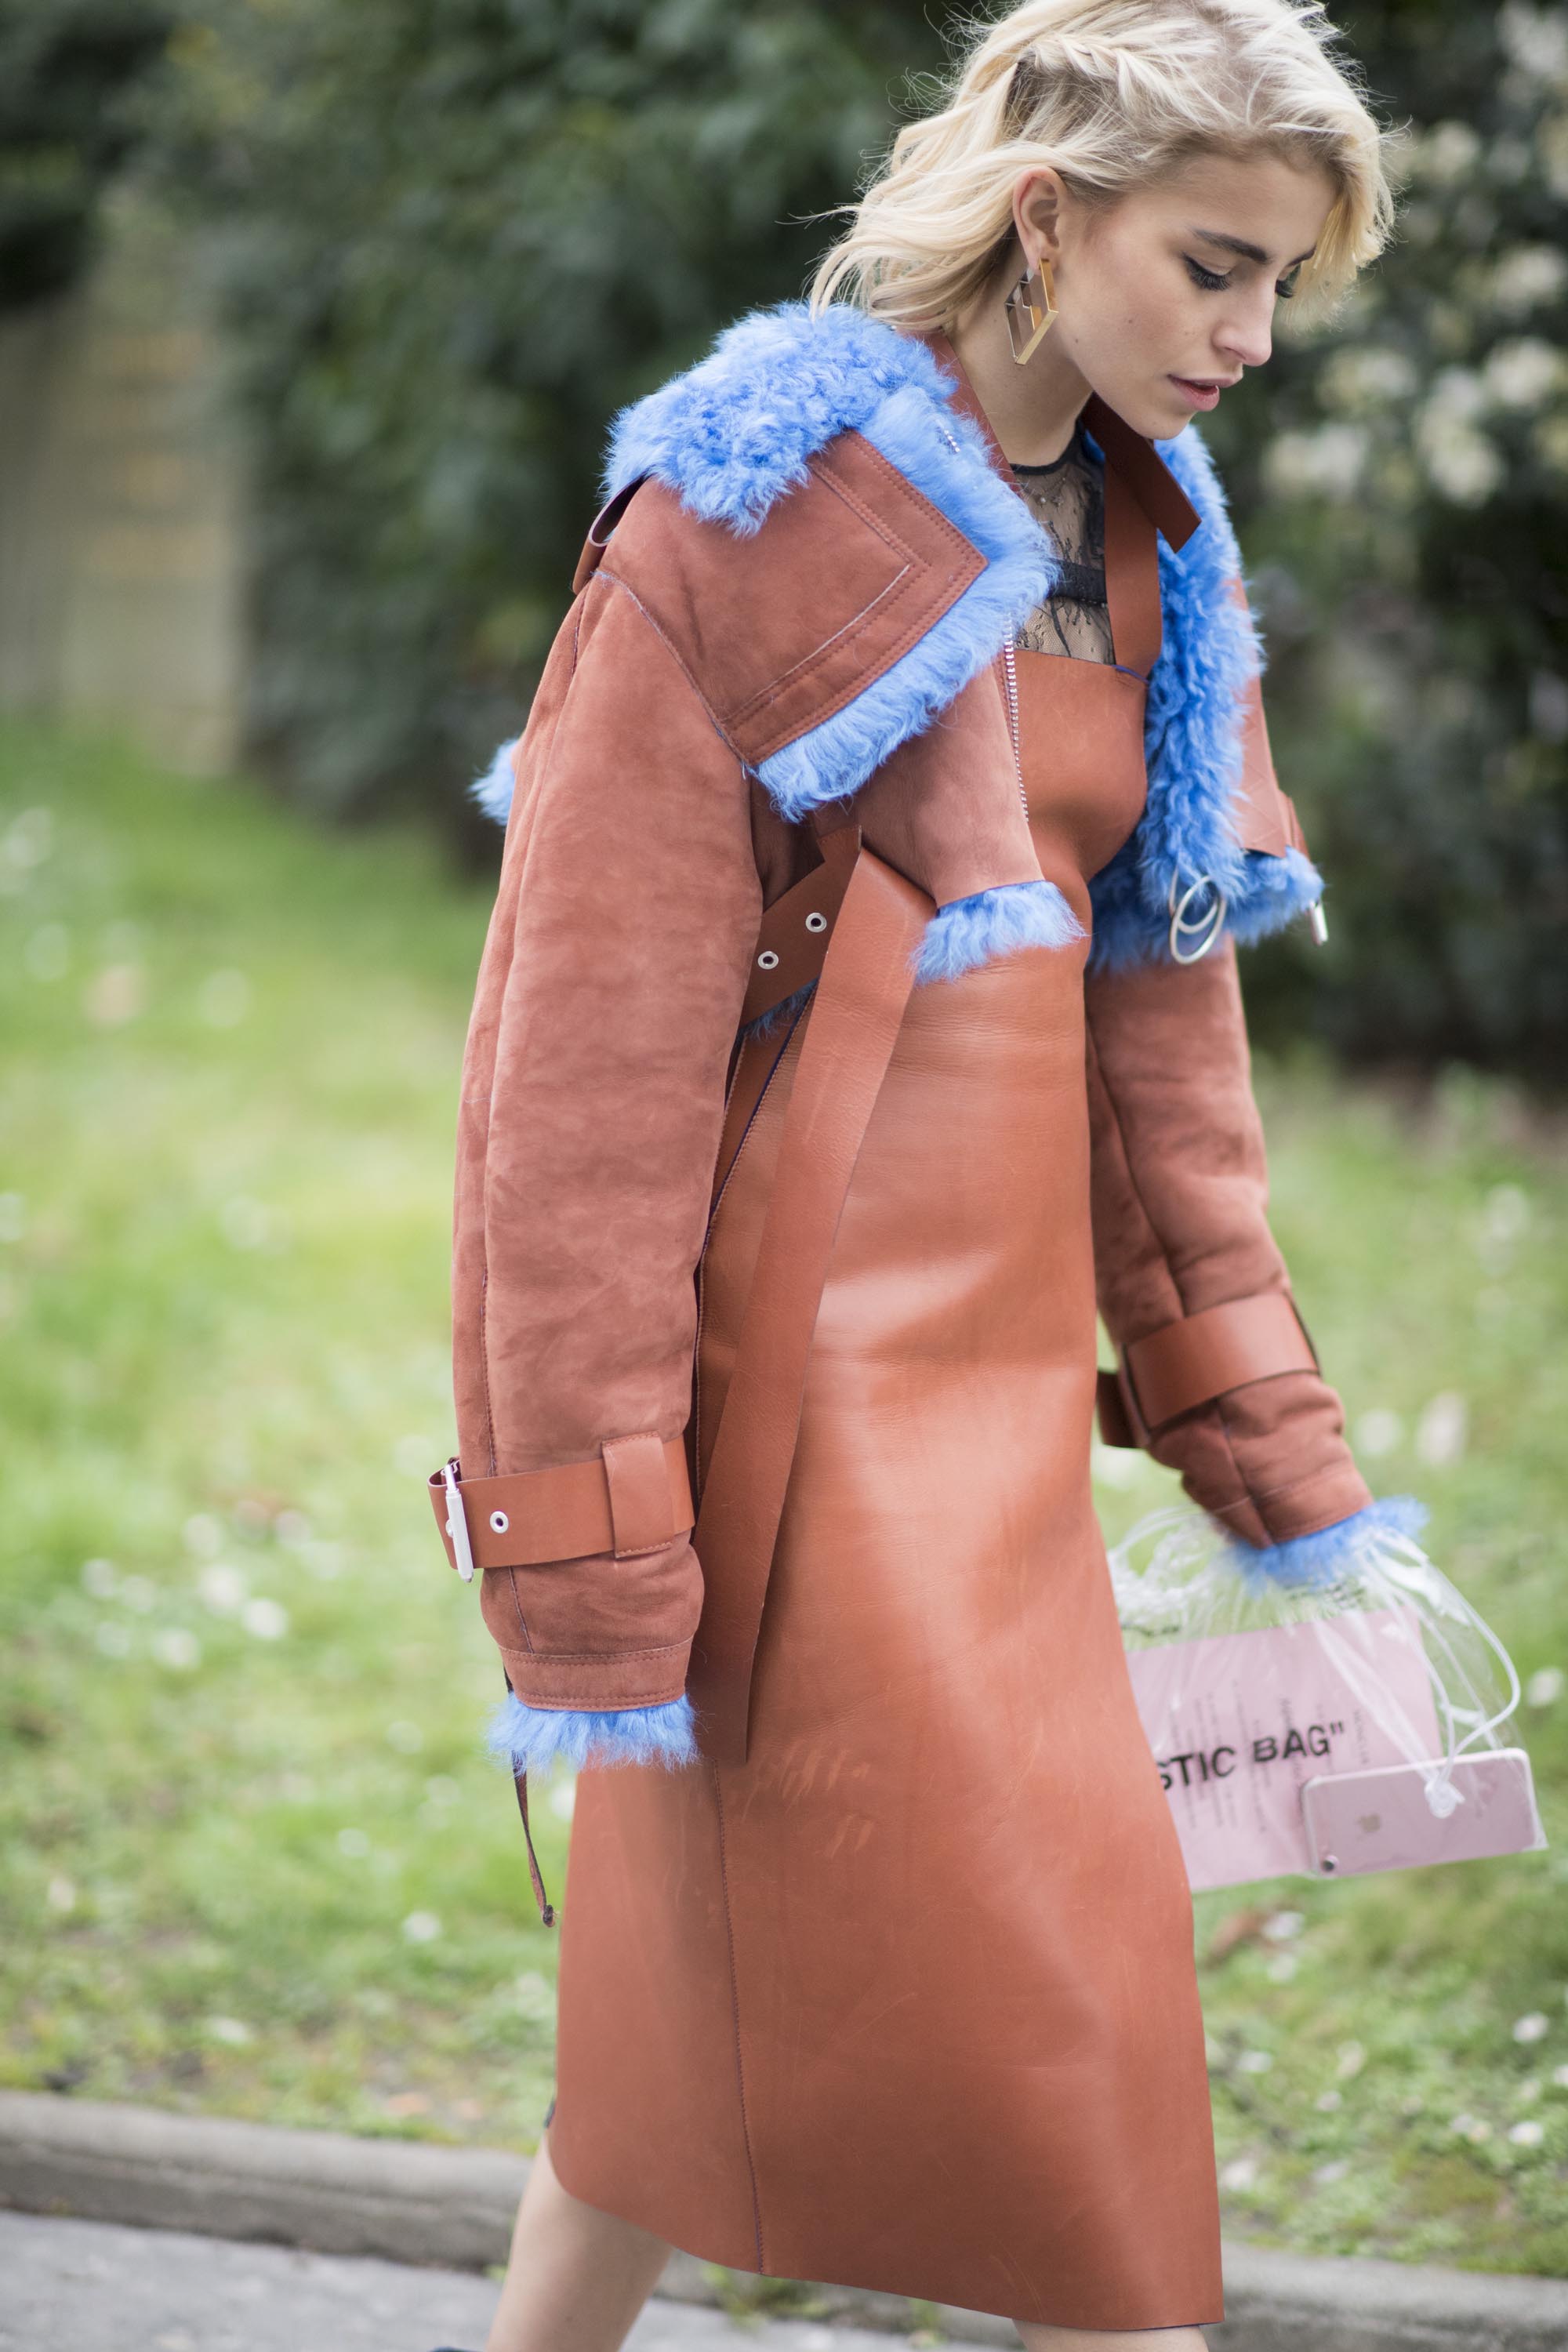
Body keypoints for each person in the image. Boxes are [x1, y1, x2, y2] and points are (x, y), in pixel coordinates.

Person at [426, 3, 1403, 2347]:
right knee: (1072, 2083)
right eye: (1216, 267)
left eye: (1285, 286)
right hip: (797, 1397)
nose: (1254, 340)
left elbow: (1163, 1026)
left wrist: (1269, 1438)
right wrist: (588, 1515)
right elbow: (579, 1062)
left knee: (668, 2043)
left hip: (1003, 1394)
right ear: (1049, 215)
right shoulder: (743, 508)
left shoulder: (1161, 537)